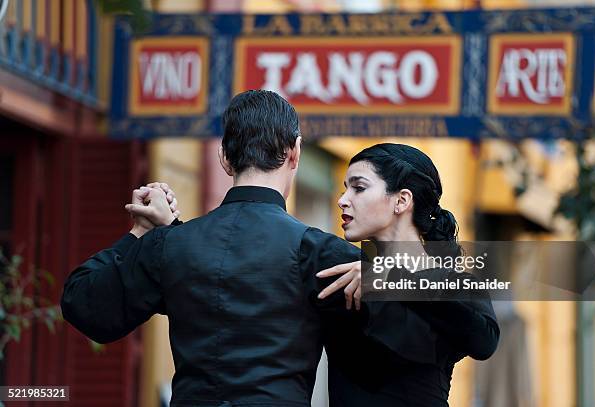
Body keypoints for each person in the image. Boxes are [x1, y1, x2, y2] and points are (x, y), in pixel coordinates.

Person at [61, 90, 410, 407]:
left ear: (225, 158)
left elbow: (86, 306)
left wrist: (141, 232)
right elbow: (455, 291)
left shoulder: (171, 246)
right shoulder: (318, 252)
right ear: (295, 153)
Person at [315, 143, 500, 407]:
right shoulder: (347, 273)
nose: (342, 199)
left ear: (401, 200)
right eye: (345, 188)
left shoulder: (456, 284)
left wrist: (390, 278)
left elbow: (483, 341)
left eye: (358, 187)